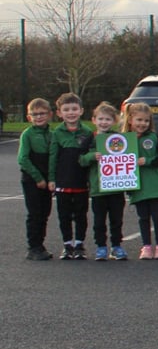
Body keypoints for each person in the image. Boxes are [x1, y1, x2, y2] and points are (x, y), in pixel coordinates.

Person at [48, 93, 94, 260]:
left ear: (81, 110)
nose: (71, 113)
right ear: (59, 113)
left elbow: (91, 158)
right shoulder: (57, 133)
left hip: (81, 182)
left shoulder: (88, 132)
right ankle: (67, 245)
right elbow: (53, 158)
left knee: (81, 215)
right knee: (64, 215)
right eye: (66, 110)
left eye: (74, 109)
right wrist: (52, 179)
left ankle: (80, 244)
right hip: (62, 182)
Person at [123, 102, 158, 260]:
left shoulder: (154, 138)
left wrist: (148, 161)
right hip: (138, 186)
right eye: (139, 120)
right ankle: (146, 247)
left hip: (155, 185)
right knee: (143, 217)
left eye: (146, 121)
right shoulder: (123, 140)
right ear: (130, 120)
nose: (142, 124)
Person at [83, 102, 128, 261]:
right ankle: (101, 246)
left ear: (114, 121)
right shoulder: (90, 138)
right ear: (94, 120)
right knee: (99, 221)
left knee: (117, 220)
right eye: (100, 119)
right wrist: (91, 156)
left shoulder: (119, 138)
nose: (104, 122)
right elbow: (81, 159)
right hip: (98, 188)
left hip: (116, 188)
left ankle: (116, 246)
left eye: (108, 119)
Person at [17, 98, 54, 260]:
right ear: (28, 117)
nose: (39, 117)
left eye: (42, 113)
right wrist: (38, 178)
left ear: (50, 115)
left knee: (45, 212)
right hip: (32, 179)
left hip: (47, 180)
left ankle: (41, 244)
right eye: (35, 114)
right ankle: (33, 247)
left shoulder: (52, 134)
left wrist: (51, 179)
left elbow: (54, 158)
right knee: (35, 213)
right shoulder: (28, 135)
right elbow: (23, 159)